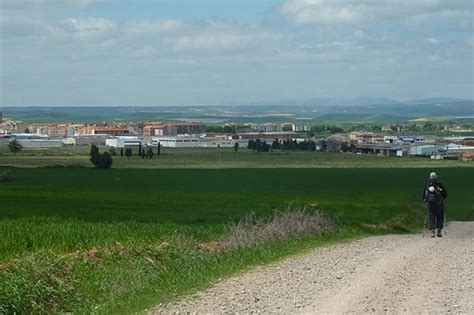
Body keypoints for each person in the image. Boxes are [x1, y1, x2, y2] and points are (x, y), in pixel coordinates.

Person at [422, 172, 448, 237]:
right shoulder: (439, 184)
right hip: (439, 204)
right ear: (436, 177)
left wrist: (426, 201)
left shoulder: (428, 185)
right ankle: (439, 231)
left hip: (430, 204)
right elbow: (445, 194)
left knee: (431, 217)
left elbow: (424, 195)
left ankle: (432, 232)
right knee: (440, 217)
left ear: (430, 177)